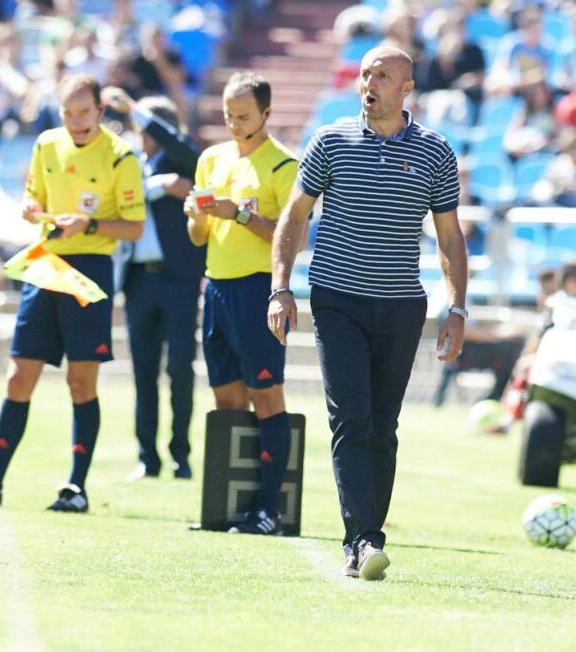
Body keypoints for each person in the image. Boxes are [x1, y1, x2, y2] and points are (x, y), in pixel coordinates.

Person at [268, 47, 467, 579]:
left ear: (407, 89)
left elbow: (449, 236)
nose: (370, 83)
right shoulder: (330, 141)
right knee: (351, 419)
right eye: (365, 74)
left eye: (383, 76)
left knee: (383, 426)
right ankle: (363, 540)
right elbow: (295, 216)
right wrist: (280, 287)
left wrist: (458, 308)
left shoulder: (436, 151)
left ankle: (365, 538)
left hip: (402, 305)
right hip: (337, 299)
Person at [0, 73, 146, 512]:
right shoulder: (46, 145)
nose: (76, 121)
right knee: (19, 376)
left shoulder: (120, 157)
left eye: (84, 112)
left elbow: (134, 226)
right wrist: (31, 210)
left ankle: (76, 488)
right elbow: (33, 199)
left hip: (89, 270)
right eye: (68, 112)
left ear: (100, 110)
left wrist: (89, 224)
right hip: (46, 262)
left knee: (81, 381)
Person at [183, 71, 298, 535]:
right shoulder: (211, 159)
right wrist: (194, 215)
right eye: (228, 115)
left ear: (266, 114)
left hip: (258, 289)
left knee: (266, 396)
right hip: (216, 287)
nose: (233, 123)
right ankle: (227, 507)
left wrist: (241, 213)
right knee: (226, 398)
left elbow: (290, 237)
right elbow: (197, 238)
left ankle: (269, 510)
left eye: (243, 116)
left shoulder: (283, 166)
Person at [102, 86, 204, 481]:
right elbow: (116, 199)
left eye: (145, 126)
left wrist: (138, 109)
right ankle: (147, 456)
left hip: (178, 279)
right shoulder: (131, 163)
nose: (139, 133)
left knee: (180, 368)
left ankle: (181, 453)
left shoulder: (186, 158)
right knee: (143, 372)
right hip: (139, 280)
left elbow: (180, 149)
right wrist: (161, 185)